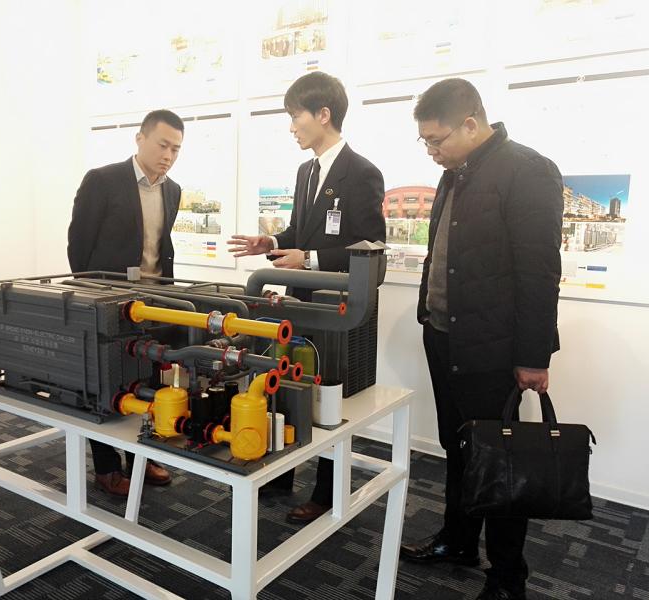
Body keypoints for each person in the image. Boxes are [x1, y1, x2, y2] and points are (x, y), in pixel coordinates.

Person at [400, 78, 563, 600]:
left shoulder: (528, 171)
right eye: (425, 141)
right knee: (458, 446)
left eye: (436, 140)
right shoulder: (455, 172)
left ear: (470, 124)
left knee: (499, 460)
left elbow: (540, 273)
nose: (431, 151)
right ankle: (459, 540)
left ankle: (508, 577)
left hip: (493, 348)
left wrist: (534, 356)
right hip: (445, 336)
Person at [227, 71, 385, 523]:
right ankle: (280, 473)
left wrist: (310, 258)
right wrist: (271, 243)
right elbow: (300, 232)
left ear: (323, 114)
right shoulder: (306, 171)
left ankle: (326, 492)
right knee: (286, 381)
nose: (292, 127)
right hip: (298, 302)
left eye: (296, 117)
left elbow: (371, 248)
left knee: (329, 395)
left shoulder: (363, 173)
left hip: (337, 306)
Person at [67, 109, 185, 497]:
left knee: (147, 381)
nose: (168, 155)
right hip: (107, 303)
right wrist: (92, 297)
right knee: (104, 382)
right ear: (140, 138)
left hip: (152, 303)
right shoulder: (102, 181)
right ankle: (106, 467)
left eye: (176, 149)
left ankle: (141, 458)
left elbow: (159, 247)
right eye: (163, 144)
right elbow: (78, 245)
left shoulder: (173, 190)